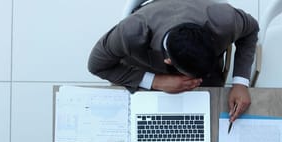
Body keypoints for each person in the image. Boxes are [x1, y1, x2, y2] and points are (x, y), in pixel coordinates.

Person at [87, 0, 259, 122]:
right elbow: (96, 65)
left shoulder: (224, 21)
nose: (197, 81)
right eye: (194, 77)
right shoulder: (132, 33)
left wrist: (240, 82)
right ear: (168, 61)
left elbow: (251, 29)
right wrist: (155, 81)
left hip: (208, 76)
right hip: (144, 72)